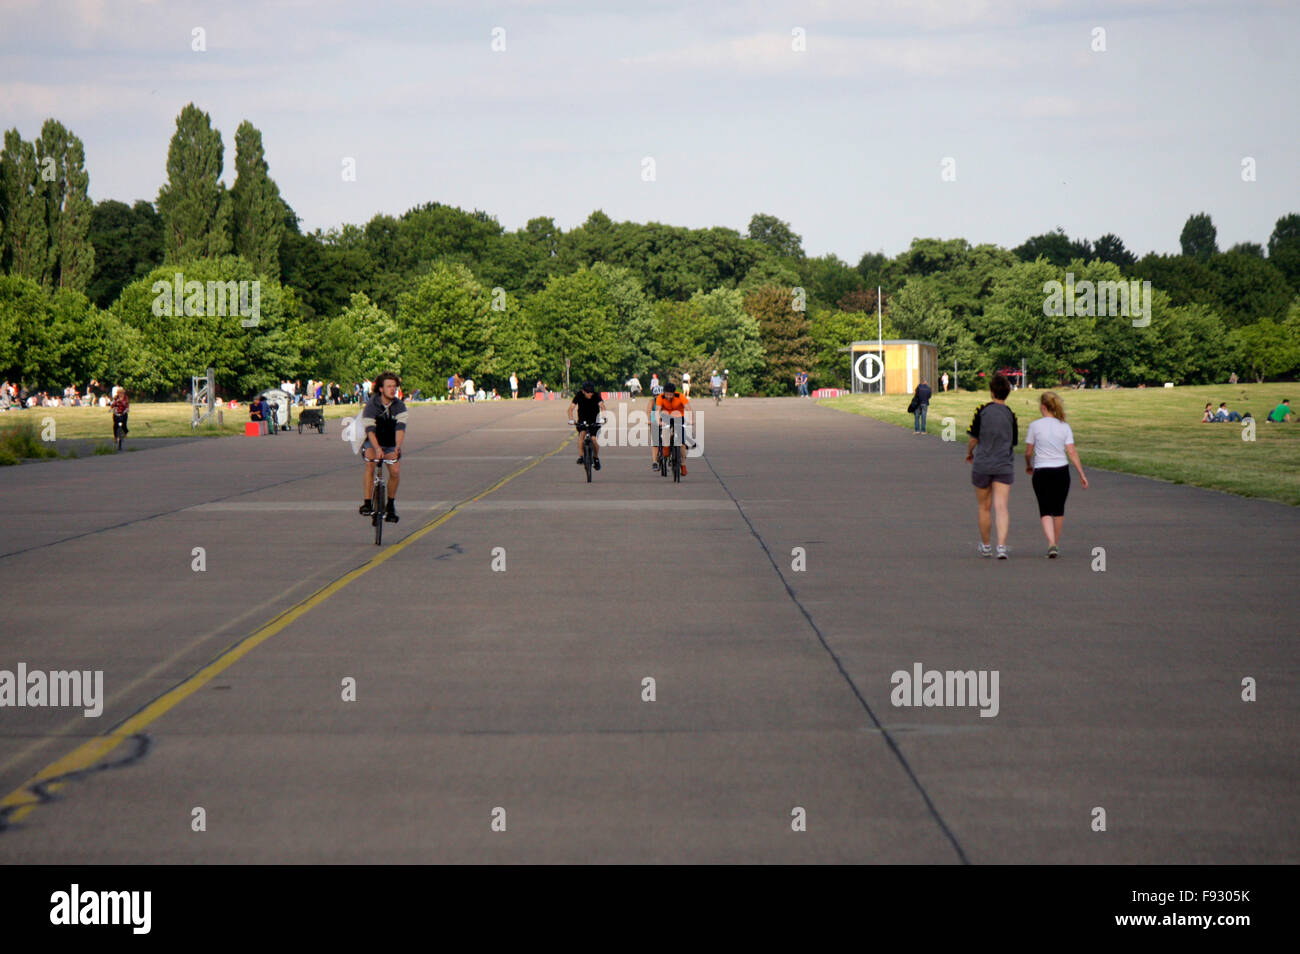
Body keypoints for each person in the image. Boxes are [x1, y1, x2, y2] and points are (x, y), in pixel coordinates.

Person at [1025, 391, 1088, 559]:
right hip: (1061, 470)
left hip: (1042, 471)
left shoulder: (1035, 426)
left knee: (1045, 509)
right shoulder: (1064, 426)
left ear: (1043, 407)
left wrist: (1028, 465)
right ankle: (1055, 544)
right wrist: (1081, 473)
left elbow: (1028, 452)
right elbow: (1072, 451)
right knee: (1058, 510)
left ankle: (1051, 543)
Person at [965, 373, 1018, 559]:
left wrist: (969, 452)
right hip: (1003, 463)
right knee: (1001, 507)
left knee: (984, 507)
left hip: (983, 464)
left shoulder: (982, 411)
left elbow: (974, 438)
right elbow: (1013, 441)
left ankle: (986, 545)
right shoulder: (1011, 414)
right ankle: (1001, 546)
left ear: (992, 392)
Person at [359, 372, 408, 523]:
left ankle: (390, 505)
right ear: (381, 389)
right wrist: (377, 448)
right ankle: (367, 502)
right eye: (389, 386)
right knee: (370, 463)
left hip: (390, 440)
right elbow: (369, 430)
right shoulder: (372, 405)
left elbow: (400, 428)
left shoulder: (399, 406)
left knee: (395, 471)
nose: (392, 389)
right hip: (373, 439)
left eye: (394, 386)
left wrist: (397, 447)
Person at [652, 382, 691, 475]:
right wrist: (658, 422)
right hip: (666, 417)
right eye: (667, 394)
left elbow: (689, 409)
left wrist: (691, 420)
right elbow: (657, 411)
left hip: (678, 417)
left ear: (674, 393)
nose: (669, 396)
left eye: (671, 394)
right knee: (665, 432)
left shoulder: (680, 396)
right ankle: (666, 447)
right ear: (664, 393)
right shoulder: (660, 397)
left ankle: (683, 464)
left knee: (682, 443)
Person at [569, 381, 606, 470]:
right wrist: (571, 419)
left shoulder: (596, 396)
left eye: (591, 392)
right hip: (582, 420)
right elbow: (570, 409)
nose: (590, 394)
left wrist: (603, 418)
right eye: (588, 392)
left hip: (594, 421)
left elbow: (603, 407)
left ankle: (596, 458)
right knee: (582, 434)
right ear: (583, 391)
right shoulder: (578, 395)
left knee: (594, 439)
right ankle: (581, 456)